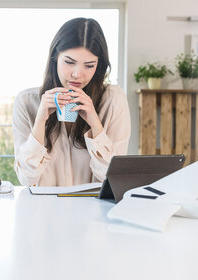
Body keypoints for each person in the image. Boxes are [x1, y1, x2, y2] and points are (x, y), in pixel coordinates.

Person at [12, 17, 131, 186]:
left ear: (99, 65)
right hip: (45, 210)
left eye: (89, 65)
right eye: (69, 62)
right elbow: (26, 178)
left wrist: (95, 124)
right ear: (55, 57)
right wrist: (40, 120)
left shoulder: (113, 99)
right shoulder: (26, 101)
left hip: (94, 211)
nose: (77, 74)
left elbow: (113, 178)